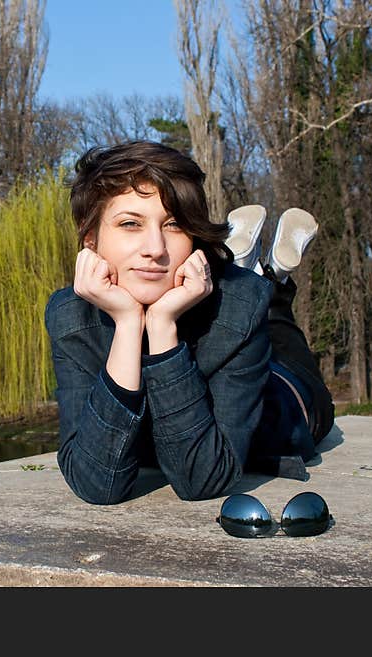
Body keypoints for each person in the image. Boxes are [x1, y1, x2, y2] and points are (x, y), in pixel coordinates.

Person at [44, 140, 335, 505]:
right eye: (130, 223)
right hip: (227, 313)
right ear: (91, 238)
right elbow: (96, 484)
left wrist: (163, 326)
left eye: (174, 225)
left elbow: (202, 481)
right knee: (249, 297)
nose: (155, 248)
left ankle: (275, 284)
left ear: (194, 236)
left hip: (282, 395)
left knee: (277, 321)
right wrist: (129, 324)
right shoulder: (70, 314)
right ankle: (255, 270)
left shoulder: (239, 305)